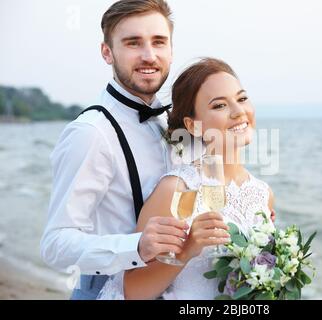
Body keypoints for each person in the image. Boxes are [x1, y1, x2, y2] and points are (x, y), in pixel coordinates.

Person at [40, 0, 208, 300]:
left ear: (170, 49)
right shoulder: (91, 133)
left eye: (159, 42)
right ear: (107, 52)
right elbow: (55, 244)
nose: (149, 55)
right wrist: (136, 246)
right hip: (108, 291)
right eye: (133, 43)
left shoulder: (175, 123)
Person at [98, 57, 276, 300]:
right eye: (219, 106)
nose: (238, 112)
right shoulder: (178, 189)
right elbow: (133, 291)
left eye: (242, 99)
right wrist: (186, 250)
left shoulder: (263, 194)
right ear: (193, 126)